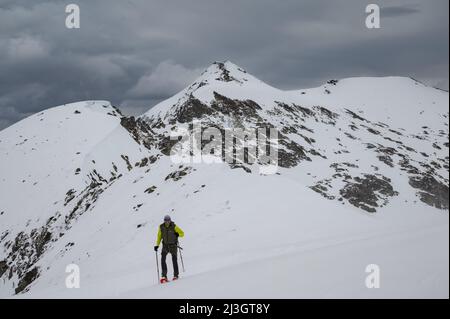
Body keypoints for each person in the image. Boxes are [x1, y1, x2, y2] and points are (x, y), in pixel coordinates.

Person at [154, 215, 184, 283]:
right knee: (163, 259)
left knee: (174, 259)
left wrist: (178, 234)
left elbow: (182, 233)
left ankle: (176, 275)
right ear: (164, 221)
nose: (167, 222)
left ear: (170, 220)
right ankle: (164, 276)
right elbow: (159, 236)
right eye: (165, 220)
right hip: (165, 246)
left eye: (168, 220)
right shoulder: (161, 227)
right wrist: (157, 245)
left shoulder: (174, 226)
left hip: (173, 246)